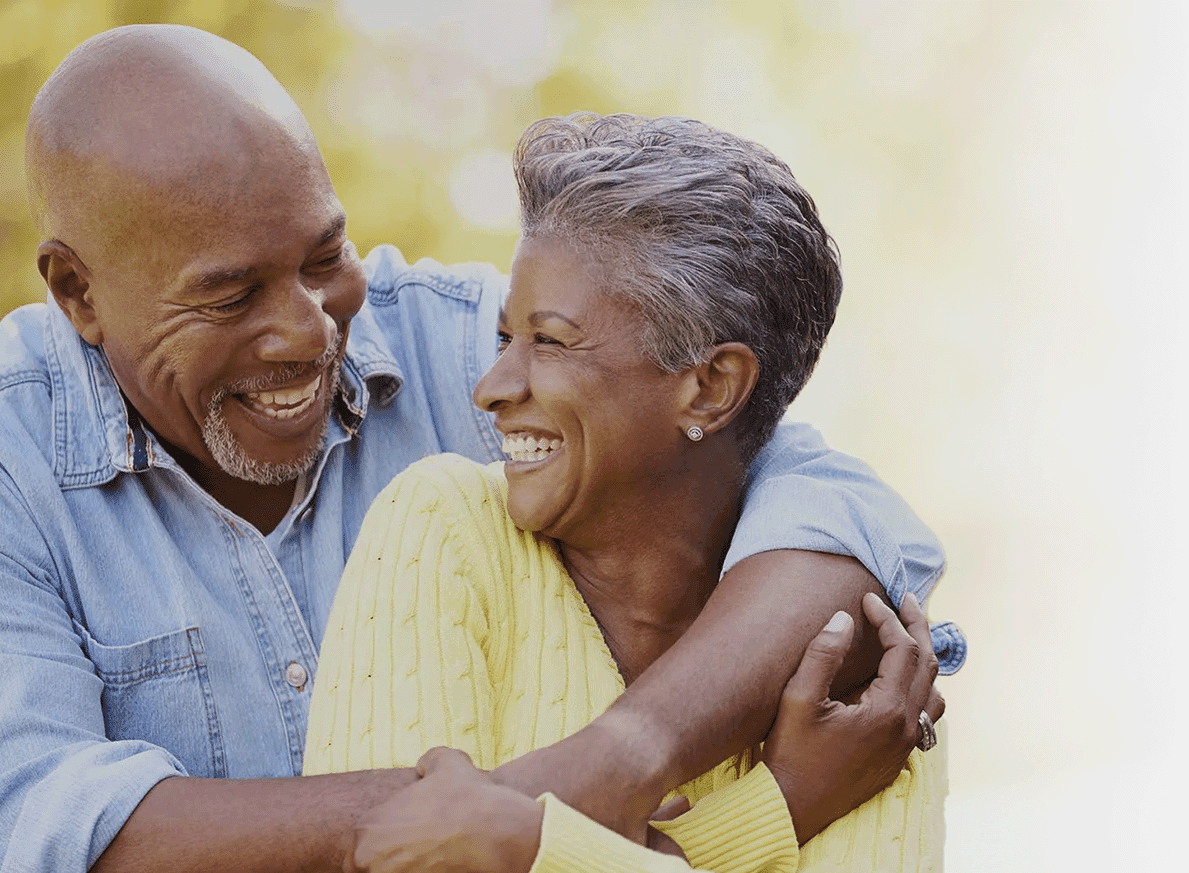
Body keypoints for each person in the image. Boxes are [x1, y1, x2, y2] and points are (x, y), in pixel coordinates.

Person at [0, 24, 964, 873]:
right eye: (229, 295)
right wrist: (499, 824)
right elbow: (51, 825)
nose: (306, 332)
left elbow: (821, 499)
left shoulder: (466, 344)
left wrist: (622, 757)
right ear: (78, 292)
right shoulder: (15, 456)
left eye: (322, 257)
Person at [304, 114, 950, 872]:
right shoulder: (443, 529)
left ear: (710, 388)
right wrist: (772, 812)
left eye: (548, 340)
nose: (491, 387)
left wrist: (527, 846)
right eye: (505, 337)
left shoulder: (863, 672)